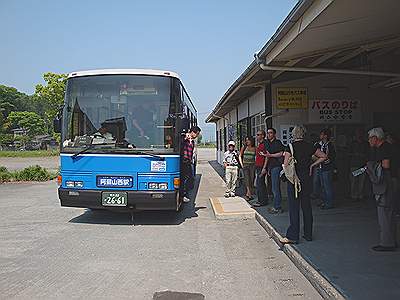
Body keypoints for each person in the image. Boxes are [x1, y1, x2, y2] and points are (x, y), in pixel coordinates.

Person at [280, 126, 327, 244]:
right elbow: (324, 156)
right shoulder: (310, 146)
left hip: (294, 181)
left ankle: (293, 236)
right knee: (306, 207)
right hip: (307, 179)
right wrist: (312, 165)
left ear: (293, 134)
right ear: (303, 134)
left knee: (294, 208)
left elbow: (285, 165)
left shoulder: (290, 147)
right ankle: (308, 234)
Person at [366, 127, 397, 251]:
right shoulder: (389, 147)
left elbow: (385, 165)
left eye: (369, 138)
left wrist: (371, 166)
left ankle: (387, 243)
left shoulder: (383, 149)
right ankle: (391, 240)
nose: (368, 141)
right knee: (390, 213)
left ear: (375, 138)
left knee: (384, 213)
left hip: (386, 184)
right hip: (392, 182)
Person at [315, 128, 336, 209]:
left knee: (327, 186)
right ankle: (324, 201)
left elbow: (332, 157)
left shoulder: (330, 145)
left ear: (325, 136)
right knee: (322, 186)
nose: (320, 135)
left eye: (322, 134)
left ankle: (329, 203)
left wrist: (326, 159)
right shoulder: (319, 144)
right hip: (320, 167)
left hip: (327, 168)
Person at [265, 128, 285, 214]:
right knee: (274, 187)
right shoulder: (269, 143)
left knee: (275, 188)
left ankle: (277, 207)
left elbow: (281, 153)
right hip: (271, 167)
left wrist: (271, 155)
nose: (269, 134)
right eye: (268, 133)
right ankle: (276, 205)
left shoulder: (277, 142)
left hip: (277, 166)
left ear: (274, 134)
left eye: (271, 133)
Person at [181, 126, 201, 203]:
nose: (197, 136)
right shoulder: (185, 137)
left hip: (188, 161)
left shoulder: (192, 142)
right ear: (193, 132)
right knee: (185, 178)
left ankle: (185, 193)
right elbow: (180, 143)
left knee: (190, 178)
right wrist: (185, 137)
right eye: (197, 134)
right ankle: (183, 195)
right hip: (183, 161)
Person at [348, 129, 369, 201]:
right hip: (354, 165)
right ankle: (354, 196)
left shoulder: (366, 143)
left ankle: (360, 195)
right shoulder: (352, 143)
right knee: (354, 181)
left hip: (363, 165)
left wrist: (364, 156)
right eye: (358, 133)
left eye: (361, 133)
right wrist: (355, 154)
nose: (359, 135)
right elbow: (348, 153)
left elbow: (369, 153)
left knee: (362, 181)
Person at [252, 130, 269, 207]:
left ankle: (261, 201)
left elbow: (266, 156)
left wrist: (264, 168)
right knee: (261, 184)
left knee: (260, 184)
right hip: (258, 166)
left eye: (259, 134)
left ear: (263, 135)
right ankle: (262, 200)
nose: (257, 136)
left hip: (262, 166)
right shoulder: (260, 144)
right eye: (257, 134)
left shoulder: (265, 144)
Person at [239, 136, 256, 201]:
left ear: (251, 141)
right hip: (245, 165)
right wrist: (241, 164)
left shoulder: (255, 148)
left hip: (252, 165)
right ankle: (248, 193)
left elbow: (256, 156)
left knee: (252, 178)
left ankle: (248, 193)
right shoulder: (244, 147)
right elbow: (240, 155)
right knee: (247, 179)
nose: (247, 141)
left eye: (248, 140)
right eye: (246, 140)